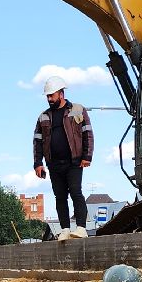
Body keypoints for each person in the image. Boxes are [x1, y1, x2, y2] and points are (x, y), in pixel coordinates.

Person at [32, 75, 94, 232]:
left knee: (75, 192)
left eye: (51, 95)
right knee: (60, 197)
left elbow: (88, 133)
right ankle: (65, 229)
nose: (49, 99)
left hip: (74, 162)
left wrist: (87, 156)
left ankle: (81, 228)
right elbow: (37, 141)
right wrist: (38, 163)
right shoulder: (43, 116)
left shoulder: (78, 109)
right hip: (53, 164)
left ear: (61, 93)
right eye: (47, 96)